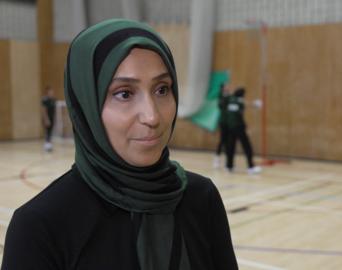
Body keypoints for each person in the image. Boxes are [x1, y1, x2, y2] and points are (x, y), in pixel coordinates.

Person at [1, 19, 238, 270]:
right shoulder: (41, 226)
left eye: (162, 89)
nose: (152, 116)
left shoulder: (202, 199)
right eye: (124, 93)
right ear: (86, 104)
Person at [224, 87, 262, 174]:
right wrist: (255, 104)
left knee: (231, 146)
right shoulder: (238, 102)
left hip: (230, 127)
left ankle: (229, 166)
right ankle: (251, 167)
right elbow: (244, 105)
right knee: (247, 146)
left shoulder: (230, 100)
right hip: (238, 127)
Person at [213, 83, 231, 168]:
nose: (228, 87)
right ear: (223, 88)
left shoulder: (229, 96)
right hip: (223, 122)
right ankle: (217, 158)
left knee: (229, 141)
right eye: (226, 86)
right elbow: (221, 105)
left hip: (229, 122)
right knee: (223, 140)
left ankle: (228, 162)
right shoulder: (221, 97)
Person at [41, 86, 56, 152]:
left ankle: (49, 145)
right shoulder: (45, 100)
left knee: (50, 131)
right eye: (50, 91)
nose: (51, 92)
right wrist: (46, 119)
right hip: (47, 118)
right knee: (47, 131)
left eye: (52, 91)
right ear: (47, 92)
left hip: (52, 118)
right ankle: (47, 145)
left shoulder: (53, 100)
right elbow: (44, 110)